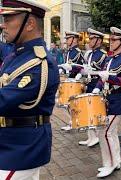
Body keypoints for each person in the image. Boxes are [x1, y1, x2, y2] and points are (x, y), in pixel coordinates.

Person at [0, 0, 59, 179]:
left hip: (20, 149)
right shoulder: (16, 55)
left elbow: (3, 100)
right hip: (12, 143)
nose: (3, 25)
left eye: (9, 18)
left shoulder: (38, 63)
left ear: (30, 24)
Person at [92, 27, 121, 178]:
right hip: (106, 100)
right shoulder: (109, 59)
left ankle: (109, 164)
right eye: (110, 39)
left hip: (118, 101)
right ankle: (115, 161)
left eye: (114, 40)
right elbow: (101, 79)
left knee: (105, 132)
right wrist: (97, 88)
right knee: (111, 133)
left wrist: (110, 78)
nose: (110, 42)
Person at [77, 28, 108, 147]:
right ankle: (91, 136)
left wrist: (98, 87)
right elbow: (84, 67)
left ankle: (97, 136)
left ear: (99, 41)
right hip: (88, 84)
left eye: (92, 39)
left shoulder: (103, 55)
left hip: (97, 85)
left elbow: (104, 72)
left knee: (96, 112)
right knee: (87, 111)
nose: (90, 41)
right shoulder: (89, 54)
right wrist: (81, 72)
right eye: (90, 39)